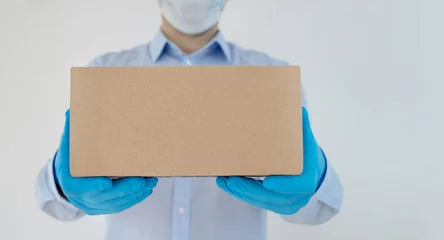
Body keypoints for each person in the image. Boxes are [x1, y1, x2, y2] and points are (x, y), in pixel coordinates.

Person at [34, 0, 343, 239]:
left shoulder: (272, 77)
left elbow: (325, 206)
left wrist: (315, 182)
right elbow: (49, 201)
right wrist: (62, 185)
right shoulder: (104, 73)